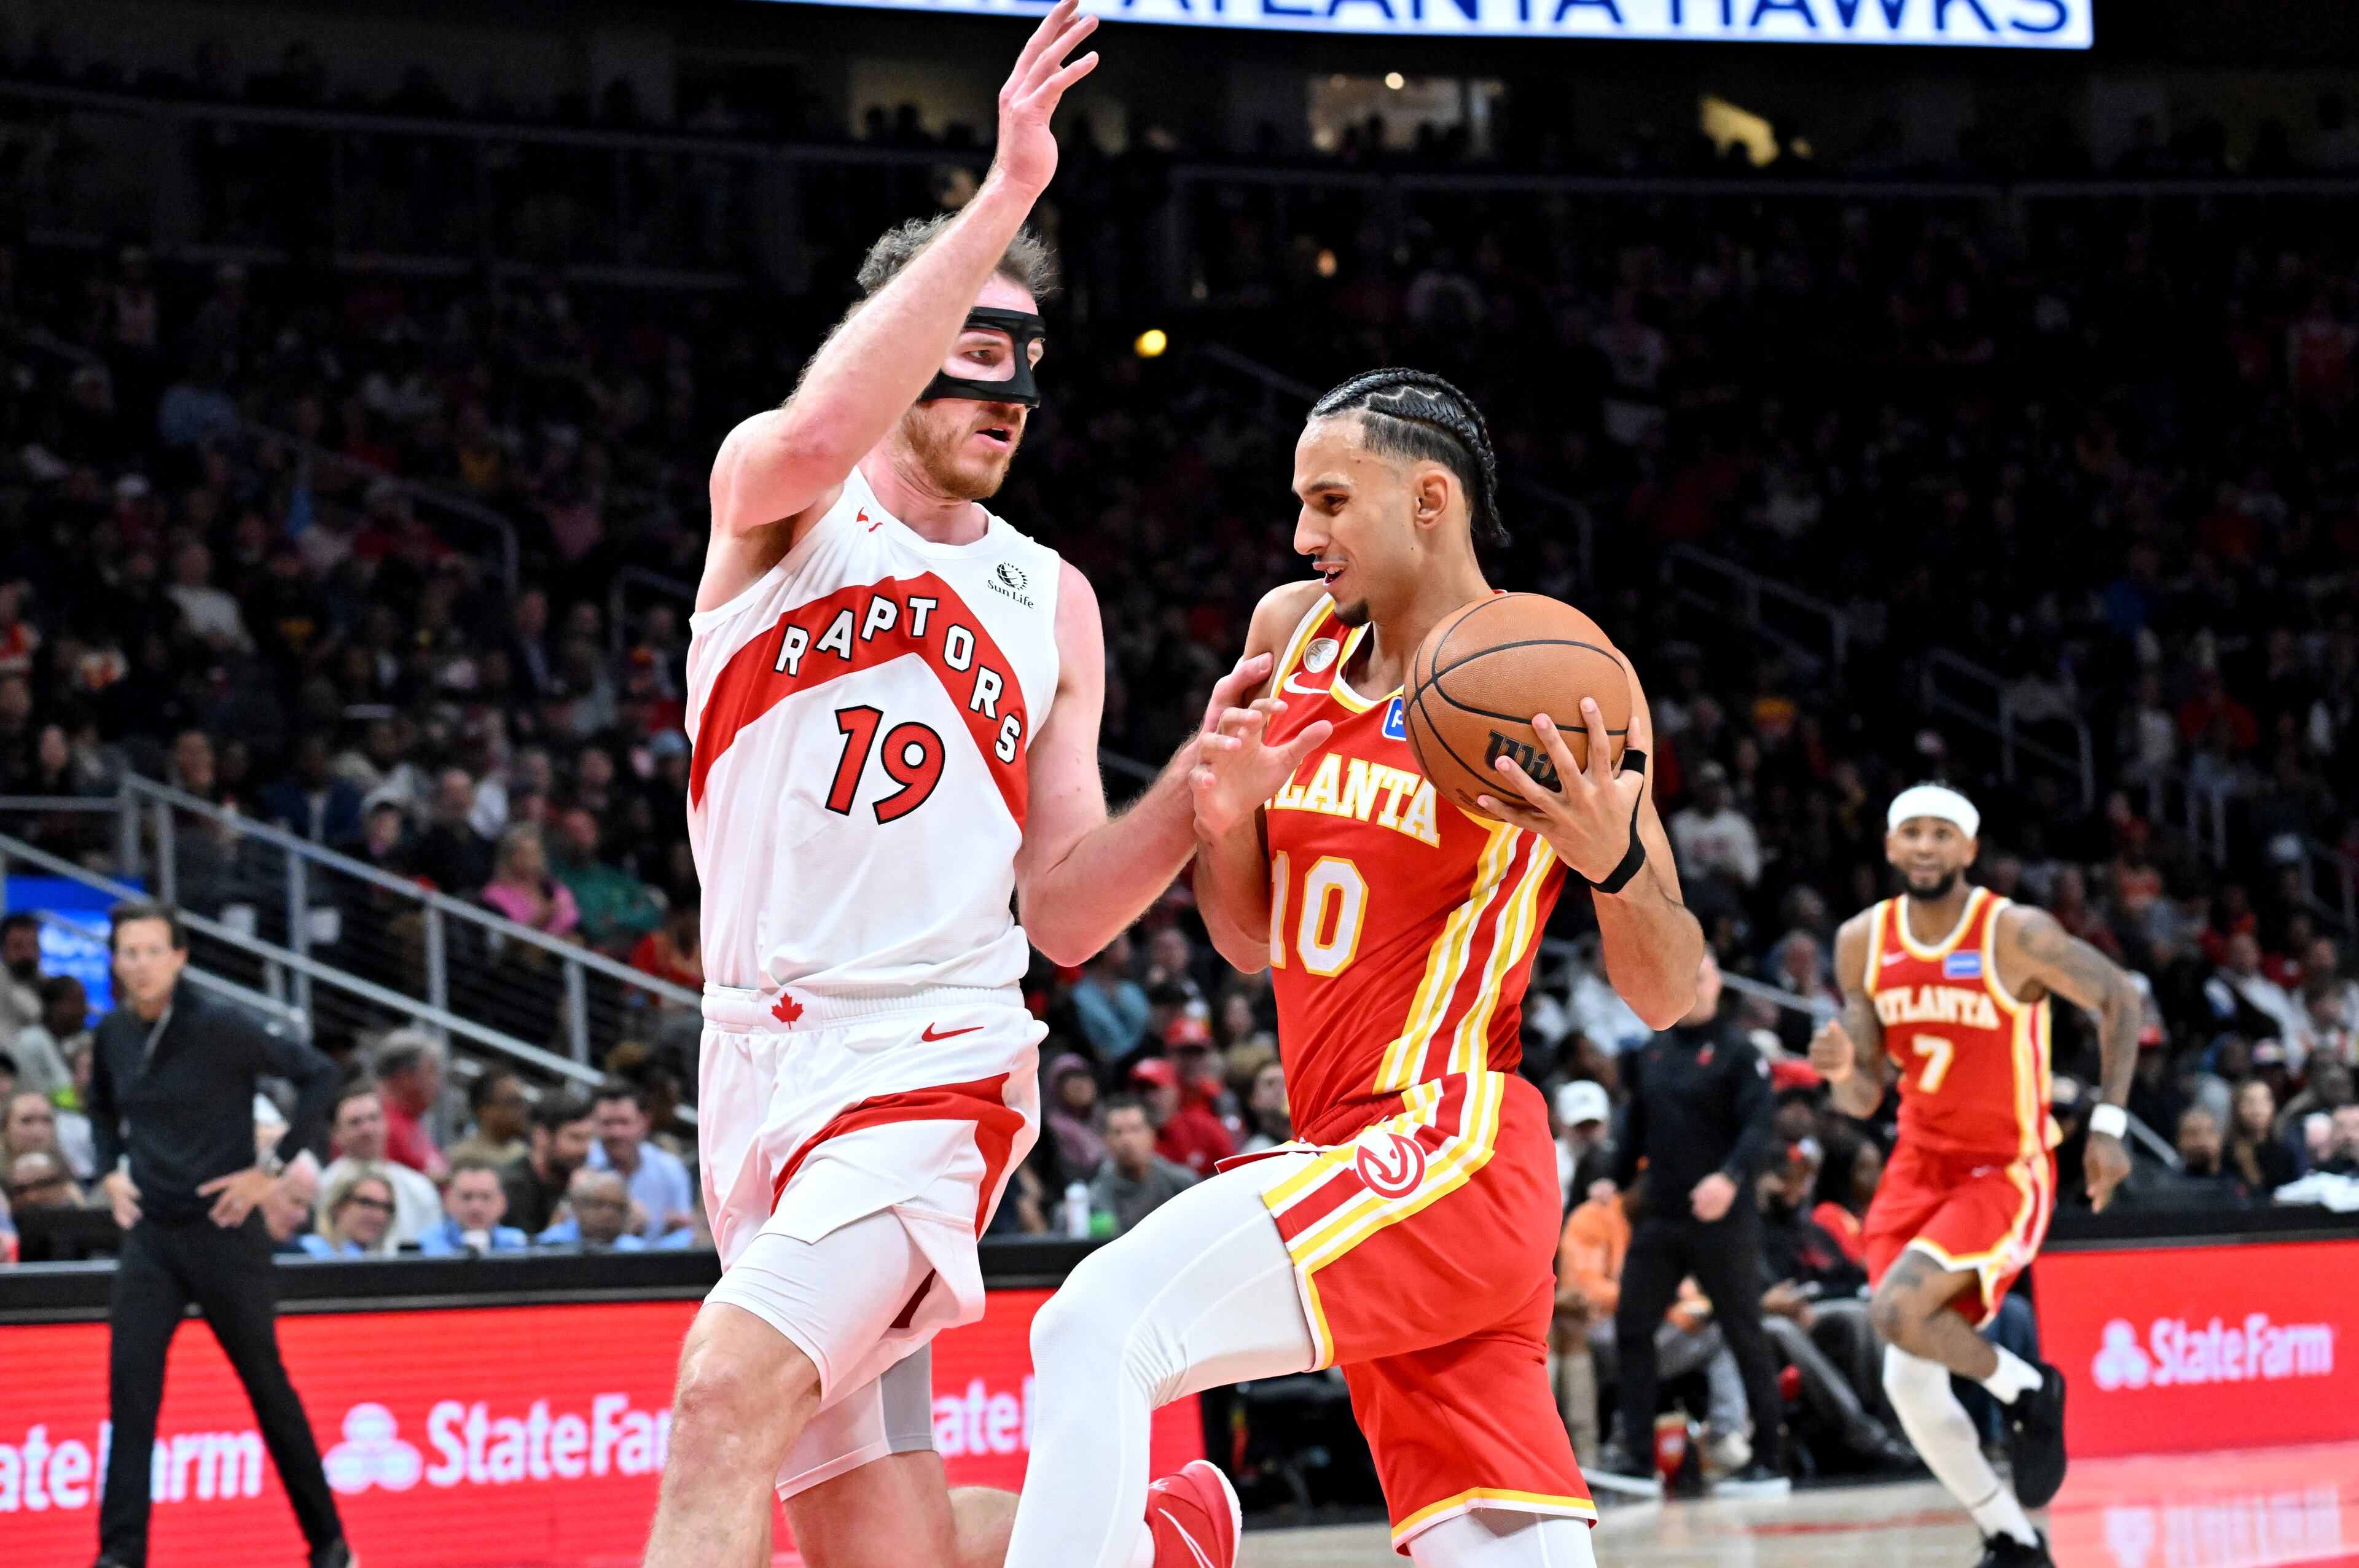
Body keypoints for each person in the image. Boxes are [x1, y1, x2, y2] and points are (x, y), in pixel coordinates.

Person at [647, 12, 1244, 1562]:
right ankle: (1144, 1546)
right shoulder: (778, 503)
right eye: (975, 355)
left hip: (930, 1056)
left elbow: (1067, 911)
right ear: (900, 344)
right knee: (875, 1542)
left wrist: (1195, 786)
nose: (1010, 392)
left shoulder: (1053, 600)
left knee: (720, 1395)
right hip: (752, 1062)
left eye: (1027, 368)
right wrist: (1005, 191)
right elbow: (822, 423)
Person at [1007, 367, 1705, 1568]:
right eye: (1300, 502)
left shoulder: (1549, 682)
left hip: (1447, 1140)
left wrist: (1618, 861)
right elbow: (1249, 938)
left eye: (1331, 501)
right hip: (1351, 1159)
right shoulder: (1292, 637)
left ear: (1430, 500)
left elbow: (1667, 989)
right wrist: (1223, 813)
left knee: (1097, 1325)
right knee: (1506, 1547)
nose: (1302, 534)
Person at [1811, 784, 2140, 1568]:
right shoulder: (1862, 940)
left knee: (1896, 1312)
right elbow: (1865, 1096)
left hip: (2002, 1169)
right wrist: (1840, 1070)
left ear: (1967, 848)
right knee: (1909, 1382)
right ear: (1890, 847)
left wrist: (2109, 1125)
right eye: (1912, 833)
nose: (1925, 847)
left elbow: (2118, 996)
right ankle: (2013, 1538)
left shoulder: (2013, 932)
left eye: (1941, 833)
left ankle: (2027, 1388)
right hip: (1915, 1166)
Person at [85, 900, 351, 1568]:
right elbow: (100, 1109)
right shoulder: (112, 1033)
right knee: (130, 1397)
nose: (141, 964)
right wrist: (109, 1170)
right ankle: (120, 1556)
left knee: (267, 1386)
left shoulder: (221, 1026)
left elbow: (320, 1075)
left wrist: (270, 1171)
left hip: (224, 1231)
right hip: (152, 1235)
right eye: (129, 952)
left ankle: (329, 1544)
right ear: (115, 961)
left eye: (153, 950)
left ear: (180, 957)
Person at [1604, 951, 1789, 1493]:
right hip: (1662, 1215)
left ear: (1717, 984)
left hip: (1722, 1218)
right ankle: (1637, 1458)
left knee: (1743, 1329)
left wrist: (1729, 1178)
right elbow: (1636, 1127)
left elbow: (1759, 1127)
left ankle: (1770, 1457)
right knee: (1632, 1327)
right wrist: (1611, 1179)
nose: (1693, 984)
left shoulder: (1739, 1053)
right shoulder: (1653, 1050)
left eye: (1701, 975)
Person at [1553, 1177, 1747, 1476]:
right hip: (1597, 1328)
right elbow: (1583, 1288)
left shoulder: (1664, 1223)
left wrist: (1684, 1309)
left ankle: (1724, 1436)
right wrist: (1651, 1302)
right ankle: (1620, 1449)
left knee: (1720, 1333)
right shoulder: (1594, 1217)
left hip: (1653, 1327)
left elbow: (1686, 1290)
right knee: (1639, 1337)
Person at [319, 1080, 441, 1249]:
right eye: (355, 1122)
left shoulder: (419, 1187)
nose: (367, 1129)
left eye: (374, 1118)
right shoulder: (322, 1187)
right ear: (336, 1134)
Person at [585, 1080, 695, 1239]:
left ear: (644, 1122)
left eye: (624, 1122)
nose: (616, 1132)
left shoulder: (669, 1168)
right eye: (607, 1123)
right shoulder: (582, 1164)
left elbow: (685, 1230)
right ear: (593, 1123)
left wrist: (669, 1224)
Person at [1086, 1095, 1196, 1233]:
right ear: (1106, 1140)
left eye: (1135, 1129)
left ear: (1152, 1134)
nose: (1127, 1140)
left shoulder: (1182, 1184)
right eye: (1118, 1132)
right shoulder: (1096, 1197)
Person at [500, 1090, 595, 1236]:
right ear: (541, 1136)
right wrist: (569, 1203)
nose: (585, 1149)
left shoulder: (584, 1177)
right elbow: (526, 1248)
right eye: (575, 1138)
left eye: (589, 1138)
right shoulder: (512, 1186)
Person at [1132, 1053, 1233, 1177]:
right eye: (1142, 1091)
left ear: (1175, 1090)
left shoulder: (1203, 1126)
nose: (1149, 1098)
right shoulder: (1129, 1139)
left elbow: (1236, 1169)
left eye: (1156, 1089)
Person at [539, 1166, 686, 1249]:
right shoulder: (549, 1246)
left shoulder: (637, 1253)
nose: (608, 1215)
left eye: (618, 1207)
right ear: (577, 1206)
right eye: (598, 1204)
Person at [371, 1028, 448, 1177]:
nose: (438, 1084)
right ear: (405, 1077)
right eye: (431, 1072)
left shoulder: (409, 1122)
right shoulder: (378, 1126)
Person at [416, 1156, 530, 1254]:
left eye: (485, 1197)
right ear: (448, 1201)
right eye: (467, 1197)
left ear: (502, 1203)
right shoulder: (423, 1247)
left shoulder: (519, 1244)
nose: (476, 1207)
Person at [11, 972, 87, 1100]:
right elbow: (61, 1093)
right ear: (53, 1006)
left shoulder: (65, 1042)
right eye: (74, 1002)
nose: (82, 1010)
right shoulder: (32, 1041)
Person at [302, 1166, 398, 1258]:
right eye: (367, 1203)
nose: (379, 1216)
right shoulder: (304, 1252)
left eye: (387, 1207)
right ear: (338, 1205)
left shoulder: (384, 1259)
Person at [446, 1069, 531, 1166]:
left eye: (523, 1102)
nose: (523, 1110)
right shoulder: (462, 1158)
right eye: (514, 1102)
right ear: (486, 1110)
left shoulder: (525, 1156)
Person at [0, 911, 45, 1039]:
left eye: (33, 945)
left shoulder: (49, 986)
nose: (27, 954)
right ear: (3, 950)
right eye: (18, 947)